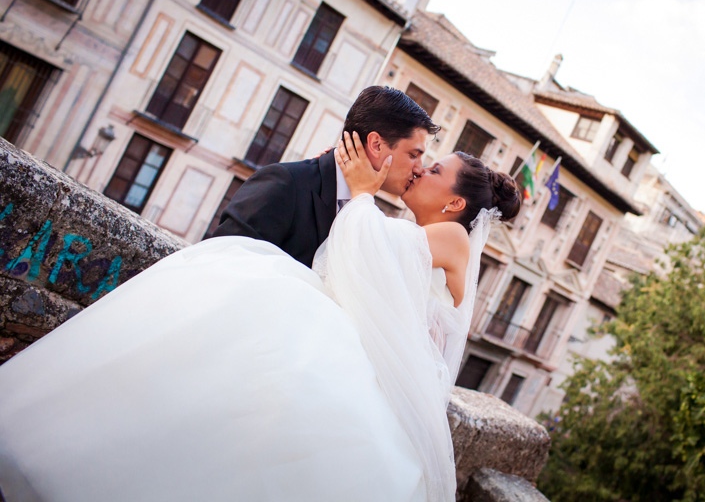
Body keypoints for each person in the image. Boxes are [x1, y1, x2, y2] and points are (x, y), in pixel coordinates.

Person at [0, 131, 521, 502]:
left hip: (393, 385)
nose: (418, 169)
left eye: (432, 169)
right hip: (379, 362)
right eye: (421, 159)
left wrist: (360, 192)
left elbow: (367, 257)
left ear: (454, 202)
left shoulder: (450, 239)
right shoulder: (416, 230)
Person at [209, 85, 441, 267]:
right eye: (413, 154)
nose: (420, 168)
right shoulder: (285, 183)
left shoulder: (371, 218)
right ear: (376, 145)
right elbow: (218, 261)